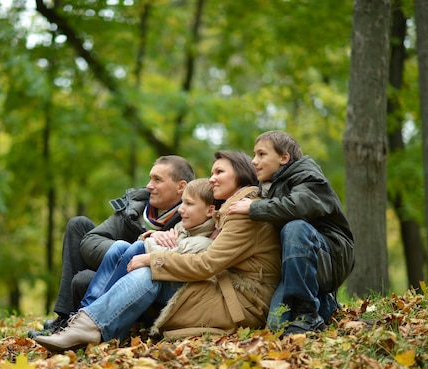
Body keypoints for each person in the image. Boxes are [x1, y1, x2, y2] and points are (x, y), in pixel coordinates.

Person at [34, 151, 282, 352]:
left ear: (239, 177)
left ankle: (88, 327)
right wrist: (150, 239)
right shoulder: (227, 210)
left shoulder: (242, 212)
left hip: (238, 299)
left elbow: (208, 263)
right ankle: (89, 327)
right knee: (137, 265)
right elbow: (92, 241)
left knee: (149, 271)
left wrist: (152, 258)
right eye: (212, 172)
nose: (212, 178)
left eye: (219, 172)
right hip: (221, 286)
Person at [28, 155, 195, 338]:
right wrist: (134, 247)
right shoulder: (135, 208)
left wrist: (144, 251)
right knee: (78, 225)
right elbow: (90, 241)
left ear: (181, 187)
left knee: (83, 280)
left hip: (149, 292)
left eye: (157, 180)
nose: (149, 185)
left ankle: (79, 323)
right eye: (150, 178)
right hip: (113, 275)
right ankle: (65, 319)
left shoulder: (194, 215)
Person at [227, 130, 355, 336]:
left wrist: (253, 208)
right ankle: (323, 304)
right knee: (277, 325)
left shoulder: (309, 177)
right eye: (253, 154)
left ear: (284, 158)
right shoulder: (268, 186)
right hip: (294, 263)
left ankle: (307, 315)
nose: (253, 161)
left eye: (261, 154)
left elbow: (298, 207)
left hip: (330, 257)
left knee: (295, 226)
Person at [78, 178, 218, 311]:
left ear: (210, 210)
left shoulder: (202, 242)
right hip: (156, 281)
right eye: (182, 203)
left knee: (138, 250)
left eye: (189, 204)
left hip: (171, 295)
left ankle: (91, 311)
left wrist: (149, 241)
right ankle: (87, 310)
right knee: (119, 246)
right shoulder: (183, 227)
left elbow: (168, 258)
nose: (181, 209)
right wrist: (152, 235)